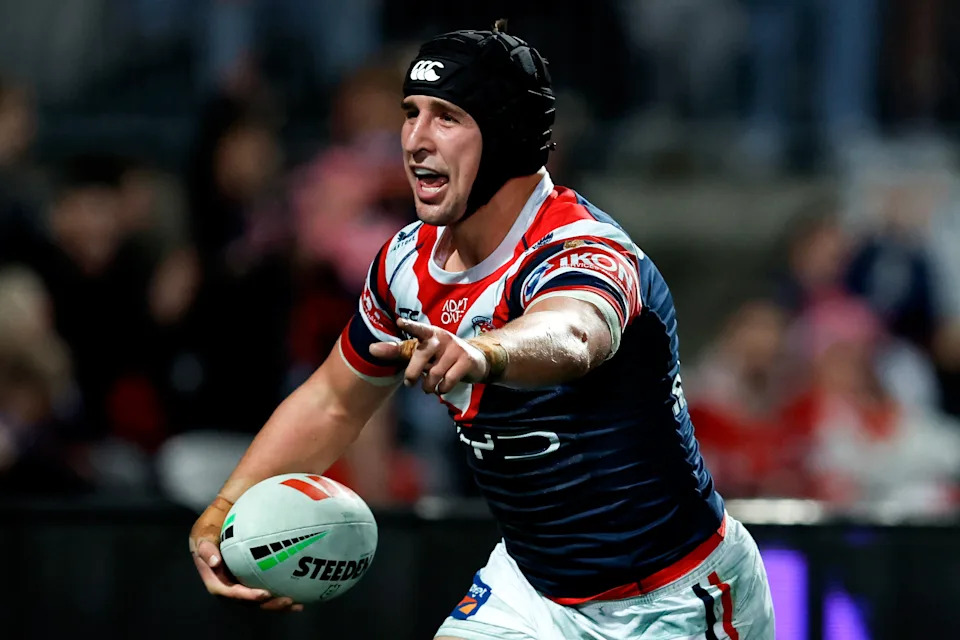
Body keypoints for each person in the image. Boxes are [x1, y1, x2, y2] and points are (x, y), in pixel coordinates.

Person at [188, 20, 776, 638]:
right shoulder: (404, 264)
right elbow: (334, 401)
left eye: (446, 116)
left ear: (509, 136)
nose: (414, 139)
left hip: (671, 598)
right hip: (530, 590)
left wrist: (483, 352)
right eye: (410, 113)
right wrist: (227, 507)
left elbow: (574, 335)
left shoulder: (583, 248)